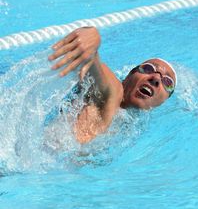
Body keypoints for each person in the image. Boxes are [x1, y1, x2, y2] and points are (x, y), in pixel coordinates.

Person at [48, 27, 177, 144]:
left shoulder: (127, 119)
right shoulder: (115, 91)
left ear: (163, 101)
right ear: (129, 76)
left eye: (167, 82)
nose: (156, 78)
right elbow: (94, 67)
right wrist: (92, 42)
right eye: (149, 68)